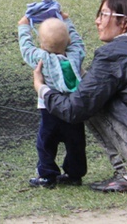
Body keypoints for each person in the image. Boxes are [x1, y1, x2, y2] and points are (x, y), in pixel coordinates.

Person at [33, 0, 127, 192]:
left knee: (91, 99)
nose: (97, 21)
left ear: (123, 22)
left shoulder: (114, 53)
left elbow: (75, 110)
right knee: (95, 91)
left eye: (103, 14)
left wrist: (42, 89)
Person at [18, 13, 86, 188]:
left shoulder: (42, 59)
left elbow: (26, 49)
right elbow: (77, 41)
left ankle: (48, 175)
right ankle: (74, 174)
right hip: (74, 108)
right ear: (68, 40)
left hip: (50, 111)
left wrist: (23, 27)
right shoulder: (76, 55)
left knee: (46, 143)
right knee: (76, 143)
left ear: (41, 44)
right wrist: (67, 21)